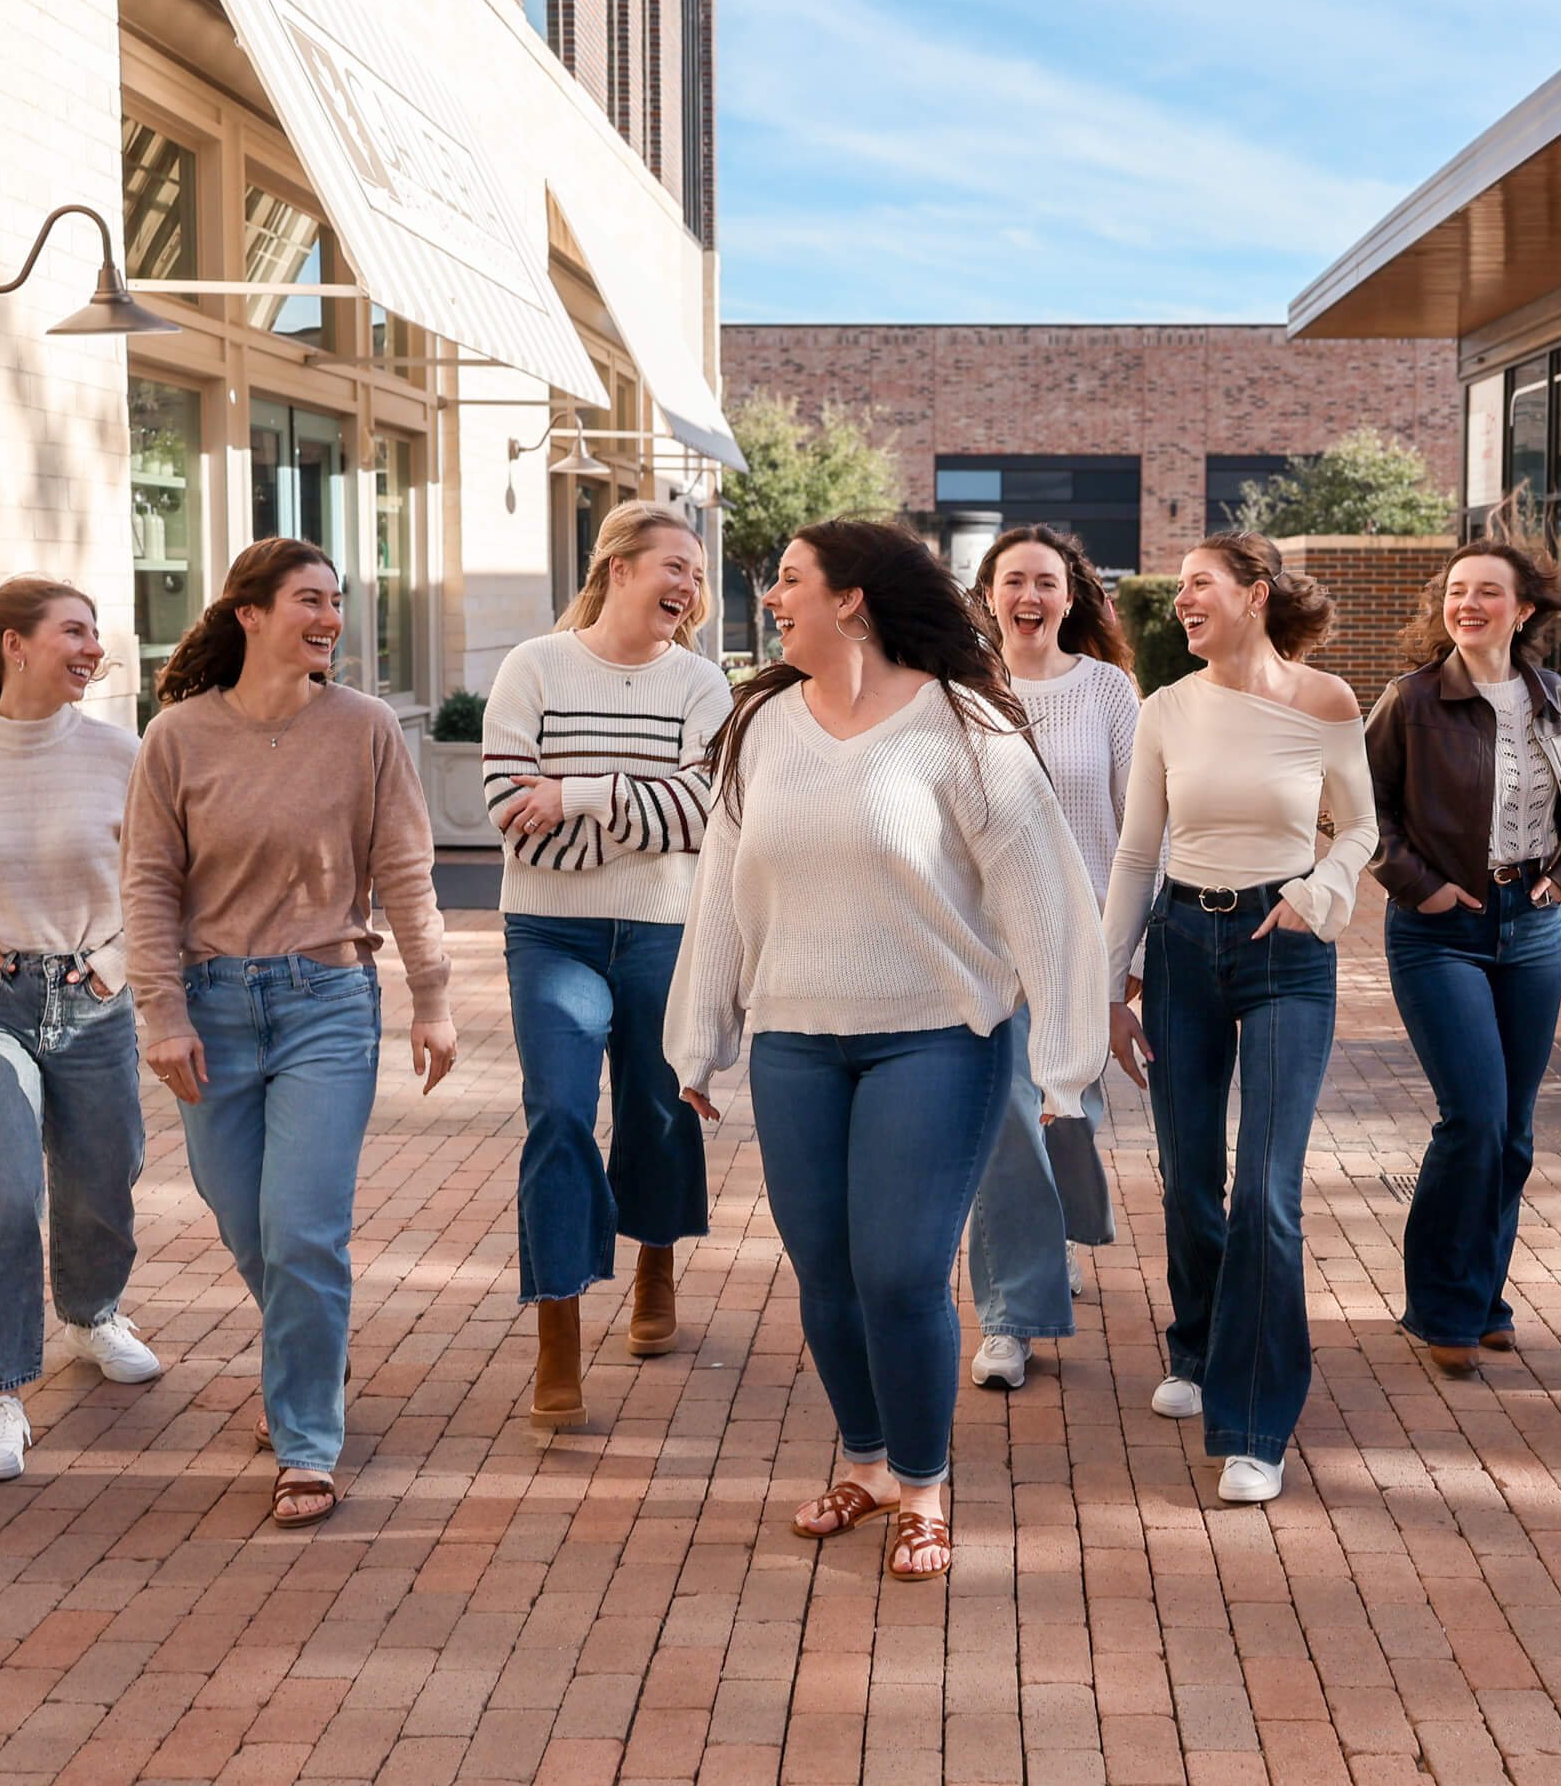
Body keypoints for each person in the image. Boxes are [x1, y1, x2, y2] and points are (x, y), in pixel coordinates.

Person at [665, 519, 1106, 1580]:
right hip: (794, 1040)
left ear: (851, 597)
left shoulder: (962, 724)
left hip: (937, 1037)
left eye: (789, 580)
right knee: (824, 1269)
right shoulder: (763, 722)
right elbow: (725, 887)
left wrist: (1065, 1071)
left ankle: (922, 1483)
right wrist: (698, 1041)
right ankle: (863, 1463)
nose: (772, 598)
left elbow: (1046, 897)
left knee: (901, 1272)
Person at [121, 537, 455, 1528]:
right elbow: (148, 881)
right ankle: (308, 1340)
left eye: (338, 602)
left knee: (304, 1227)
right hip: (211, 1007)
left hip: (326, 999)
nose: (330, 617)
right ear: (249, 613)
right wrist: (161, 1010)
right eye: (309, 598)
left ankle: (305, 1438)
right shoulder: (176, 735)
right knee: (246, 1218)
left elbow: (403, 862)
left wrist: (432, 993)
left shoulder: (363, 727)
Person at [1106, 532, 1376, 1505]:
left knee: (1266, 1187)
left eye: (1197, 583)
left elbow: (1359, 826)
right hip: (1181, 944)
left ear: (1253, 595)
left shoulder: (1323, 700)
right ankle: (1199, 1338)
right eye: (1176, 587)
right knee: (1187, 1176)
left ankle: (1254, 1421)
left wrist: (1323, 886)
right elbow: (1137, 853)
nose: (1180, 599)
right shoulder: (1165, 709)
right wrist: (1109, 985)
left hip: (1284, 950)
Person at [481, 502, 731, 1428]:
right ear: (618, 566)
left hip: (668, 929)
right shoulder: (534, 667)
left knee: (658, 1106)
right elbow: (510, 809)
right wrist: (635, 819)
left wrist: (578, 793)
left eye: (696, 574)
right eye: (673, 564)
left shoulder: (702, 685)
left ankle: (655, 1259)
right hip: (551, 934)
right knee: (556, 1113)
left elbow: (706, 813)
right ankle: (557, 1329)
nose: (687, 585)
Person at [0, 579, 158, 1483]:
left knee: (102, 1182)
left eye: (96, 634)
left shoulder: (122, 755)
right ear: (15, 645)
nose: (94, 648)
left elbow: (163, 878)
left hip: (94, 997)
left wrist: (118, 962)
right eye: (75, 631)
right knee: (5, 1195)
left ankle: (92, 1313)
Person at [1365, 535, 1561, 1379]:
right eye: (1456, 591)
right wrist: (1417, 885)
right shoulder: (1410, 699)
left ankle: (1481, 1296)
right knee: (1474, 1119)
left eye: (1486, 593)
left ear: (1522, 609)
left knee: (1517, 1132)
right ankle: (1441, 1308)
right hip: (1438, 931)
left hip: (1529, 928)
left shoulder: (1552, 695)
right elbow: (1356, 811)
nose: (1466, 605)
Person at [964, 523, 1137, 1391]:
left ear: (1071, 597)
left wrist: (1129, 945)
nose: (1028, 597)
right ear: (987, 595)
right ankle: (1009, 1317)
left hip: (1084, 936)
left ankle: (1059, 1229)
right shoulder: (954, 689)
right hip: (986, 940)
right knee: (1004, 1113)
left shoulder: (1107, 691)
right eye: (1012, 582)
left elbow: (1140, 824)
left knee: (1067, 1113)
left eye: (1045, 582)